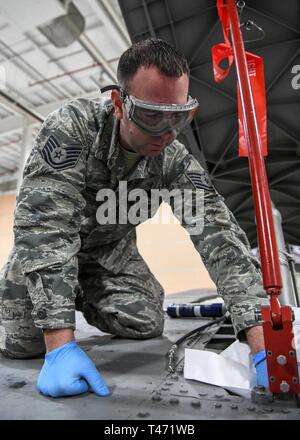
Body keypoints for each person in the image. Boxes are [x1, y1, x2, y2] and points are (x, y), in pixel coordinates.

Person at [0, 38, 274, 398]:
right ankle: (42, 297)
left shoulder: (173, 160)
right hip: (49, 251)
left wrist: (261, 339)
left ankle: (79, 293)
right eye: (151, 115)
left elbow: (219, 237)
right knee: (22, 346)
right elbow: (45, 229)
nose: (167, 132)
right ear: (119, 103)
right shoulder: (73, 129)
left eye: (179, 116)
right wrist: (59, 344)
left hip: (109, 254)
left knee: (145, 321)